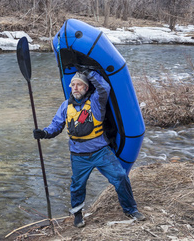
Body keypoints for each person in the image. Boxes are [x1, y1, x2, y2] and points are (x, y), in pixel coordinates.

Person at [33, 70, 145, 228]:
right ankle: (78, 215)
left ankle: (130, 209)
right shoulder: (65, 106)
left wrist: (89, 73)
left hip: (101, 152)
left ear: (86, 88)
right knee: (77, 186)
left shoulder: (96, 102)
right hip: (79, 156)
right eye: (73, 85)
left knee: (120, 177)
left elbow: (104, 87)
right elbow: (56, 126)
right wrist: (44, 133)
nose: (76, 88)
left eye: (80, 85)